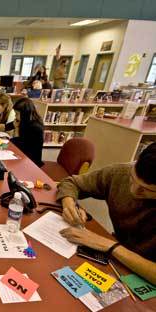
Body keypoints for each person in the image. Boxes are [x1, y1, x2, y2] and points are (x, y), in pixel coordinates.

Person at [57, 142, 156, 284]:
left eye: (146, 190)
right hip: (116, 261)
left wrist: (110, 246)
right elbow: (71, 183)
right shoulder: (121, 172)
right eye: (132, 179)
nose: (134, 191)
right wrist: (69, 204)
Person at [10, 98, 44, 167]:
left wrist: (16, 129)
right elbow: (8, 126)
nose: (15, 116)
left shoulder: (35, 127)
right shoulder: (24, 121)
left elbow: (18, 145)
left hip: (31, 162)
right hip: (22, 156)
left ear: (24, 114)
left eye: (17, 114)